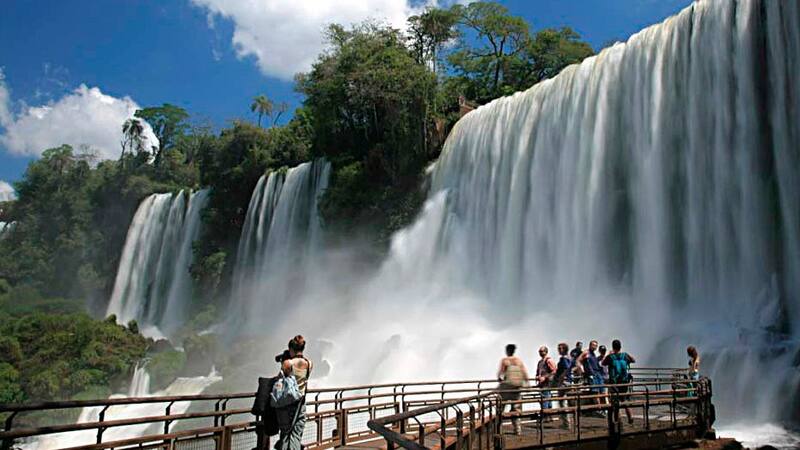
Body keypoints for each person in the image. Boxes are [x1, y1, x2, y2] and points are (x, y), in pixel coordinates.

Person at [274, 335, 312, 450]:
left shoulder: (287, 364)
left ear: (291, 349)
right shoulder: (309, 363)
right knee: (296, 435)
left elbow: (280, 380)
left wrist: (284, 360)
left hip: (287, 405)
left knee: (285, 435)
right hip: (301, 404)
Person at [497, 344, 530, 435]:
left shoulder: (505, 361)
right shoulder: (518, 361)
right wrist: (528, 384)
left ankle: (498, 429)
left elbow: (500, 374)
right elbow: (524, 372)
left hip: (507, 388)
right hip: (517, 388)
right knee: (516, 409)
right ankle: (517, 429)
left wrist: (500, 380)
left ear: (507, 351)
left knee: (501, 408)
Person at [602, 339, 635, 425]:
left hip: (614, 382)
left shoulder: (610, 357)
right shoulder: (625, 355)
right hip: (624, 381)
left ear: (613, 347)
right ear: (620, 346)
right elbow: (633, 360)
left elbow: (603, 363)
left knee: (615, 401)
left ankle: (617, 420)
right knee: (623, 399)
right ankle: (630, 416)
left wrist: (610, 354)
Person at [576, 340, 605, 411]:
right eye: (593, 345)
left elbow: (594, 361)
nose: (594, 347)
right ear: (590, 345)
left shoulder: (593, 354)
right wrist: (582, 369)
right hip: (591, 374)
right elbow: (578, 360)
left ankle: (604, 408)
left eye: (595, 346)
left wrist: (601, 356)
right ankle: (599, 408)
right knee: (595, 392)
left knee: (602, 391)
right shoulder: (586, 352)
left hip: (598, 373)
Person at [551, 343, 572, 429]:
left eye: (560, 348)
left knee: (562, 402)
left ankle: (566, 423)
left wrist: (561, 377)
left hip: (563, 382)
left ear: (564, 349)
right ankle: (566, 422)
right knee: (564, 402)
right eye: (558, 348)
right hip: (567, 381)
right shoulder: (568, 358)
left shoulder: (564, 359)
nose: (559, 350)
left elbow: (566, 368)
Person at [535, 346, 556, 411]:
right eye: (539, 351)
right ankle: (549, 415)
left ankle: (546, 414)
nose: (540, 353)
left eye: (541, 351)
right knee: (546, 398)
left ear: (546, 352)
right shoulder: (540, 362)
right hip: (542, 383)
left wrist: (545, 377)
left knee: (545, 399)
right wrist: (537, 376)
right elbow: (538, 371)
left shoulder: (549, 360)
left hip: (547, 383)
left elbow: (554, 371)